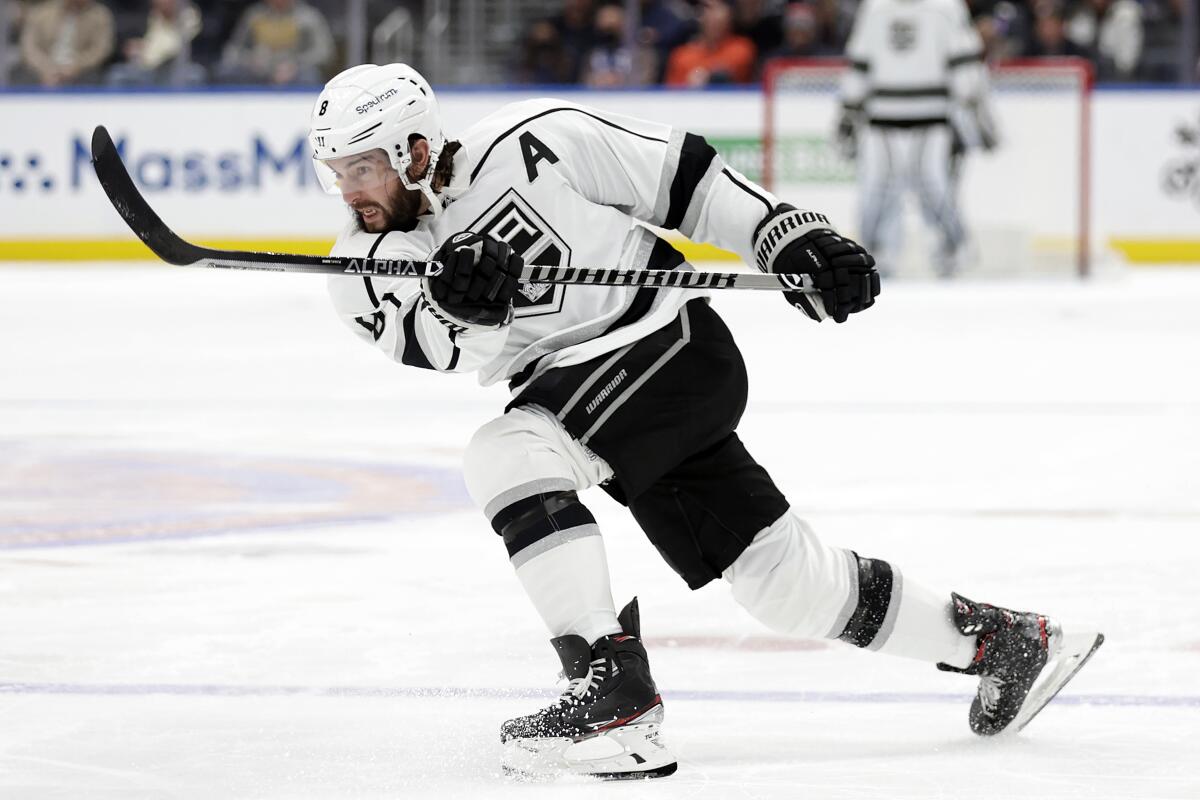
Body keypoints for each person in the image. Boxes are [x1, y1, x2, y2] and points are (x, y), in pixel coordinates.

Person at [309, 62, 1102, 779]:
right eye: (335, 172)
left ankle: (610, 686)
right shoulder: (362, 271)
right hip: (594, 401)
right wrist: (463, 305)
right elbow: (445, 352)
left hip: (670, 348)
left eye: (364, 166)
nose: (350, 189)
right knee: (787, 586)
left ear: (415, 148)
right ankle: (1004, 643)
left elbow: (682, 182)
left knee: (508, 454)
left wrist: (788, 232)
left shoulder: (536, 141)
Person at [836, 0, 998, 278]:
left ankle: (952, 249)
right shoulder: (876, 9)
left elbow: (964, 65)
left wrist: (975, 114)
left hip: (931, 116)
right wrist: (849, 111)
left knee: (933, 185)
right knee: (876, 187)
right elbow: (860, 63)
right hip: (883, 116)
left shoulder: (946, 8)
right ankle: (874, 253)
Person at [216, 0, 333, 86]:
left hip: (294, 72)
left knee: (310, 77)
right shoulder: (254, 15)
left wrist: (295, 65)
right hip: (257, 71)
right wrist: (249, 61)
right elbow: (234, 49)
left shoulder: (308, 17)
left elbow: (323, 52)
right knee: (226, 72)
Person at [14, 0, 114, 87]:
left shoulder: (100, 16)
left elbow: (100, 50)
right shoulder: (42, 13)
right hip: (42, 69)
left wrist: (75, 67)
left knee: (94, 77)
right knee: (19, 74)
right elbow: (29, 48)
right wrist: (46, 69)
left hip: (81, 71)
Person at [106, 0, 204, 88]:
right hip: (150, 66)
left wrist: (147, 52)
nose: (157, 2)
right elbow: (152, 41)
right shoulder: (155, 16)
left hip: (177, 65)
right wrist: (139, 46)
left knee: (195, 74)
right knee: (117, 74)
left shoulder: (189, 15)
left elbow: (172, 47)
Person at [664, 0, 757, 86]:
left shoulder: (742, 48)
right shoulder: (682, 56)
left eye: (717, 9)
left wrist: (706, 76)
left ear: (730, 14)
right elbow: (671, 95)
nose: (712, 16)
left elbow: (730, 73)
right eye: (706, 8)